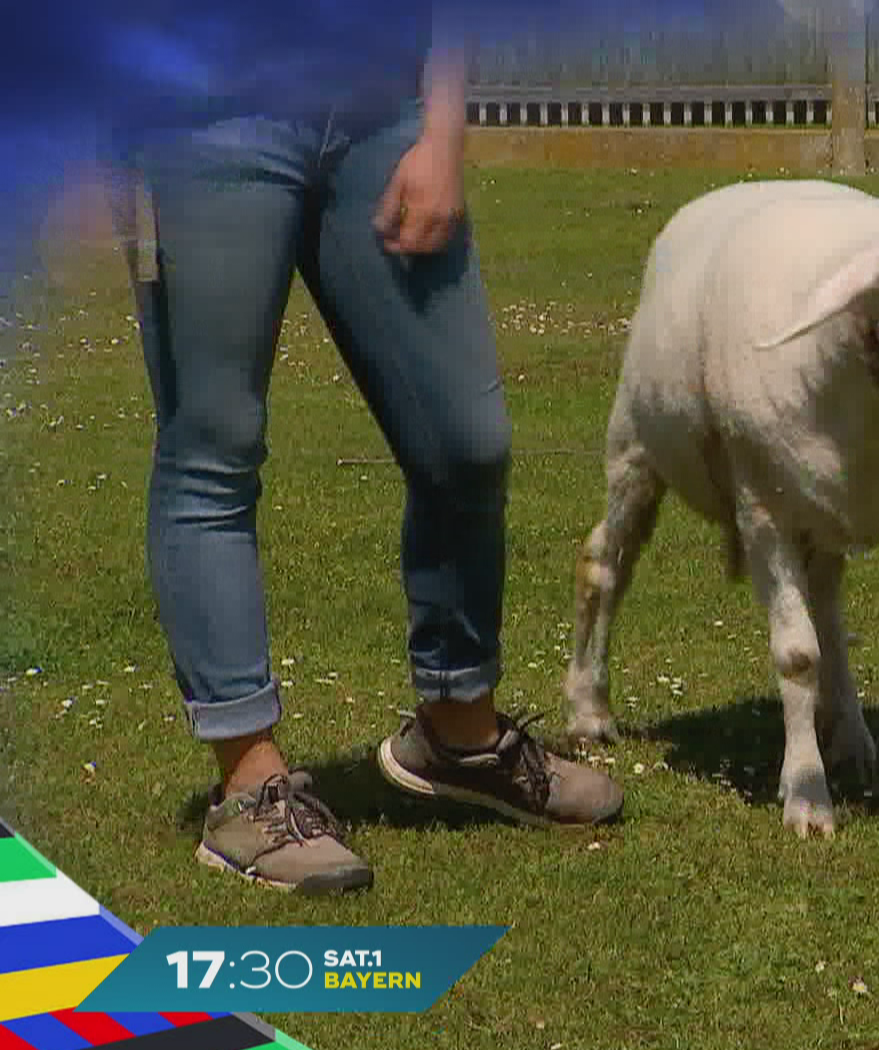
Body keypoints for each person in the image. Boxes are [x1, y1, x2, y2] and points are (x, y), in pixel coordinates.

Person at [109, 4, 623, 895]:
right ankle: (247, 784)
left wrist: (444, 122)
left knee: (467, 440)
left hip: (379, 107)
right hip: (203, 117)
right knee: (212, 446)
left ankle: (459, 734)